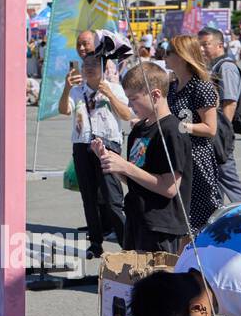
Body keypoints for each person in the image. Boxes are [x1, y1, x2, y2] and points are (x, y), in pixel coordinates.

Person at [95, 63, 193, 253]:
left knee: (157, 281)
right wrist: (111, 162)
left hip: (161, 225)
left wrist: (126, 167)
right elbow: (134, 179)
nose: (130, 105)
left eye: (133, 99)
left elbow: (170, 187)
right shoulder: (139, 130)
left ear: (155, 95)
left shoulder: (172, 131)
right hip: (136, 220)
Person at [59, 53, 131, 258]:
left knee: (112, 197)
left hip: (108, 145)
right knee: (89, 197)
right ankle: (96, 243)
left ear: (103, 67)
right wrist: (66, 88)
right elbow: (64, 110)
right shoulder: (76, 90)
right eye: (86, 64)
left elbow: (126, 115)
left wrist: (109, 94)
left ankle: (126, 241)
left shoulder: (114, 87)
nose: (89, 68)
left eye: (94, 64)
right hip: (82, 145)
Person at [165, 35, 222, 231]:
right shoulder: (172, 86)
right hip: (177, 158)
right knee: (181, 218)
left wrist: (180, 126)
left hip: (197, 160)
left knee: (201, 218)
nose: (164, 56)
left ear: (181, 56)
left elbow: (210, 128)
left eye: (168, 52)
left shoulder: (201, 87)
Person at [198, 26, 241, 205]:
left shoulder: (226, 67)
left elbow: (230, 102)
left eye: (206, 44)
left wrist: (222, 132)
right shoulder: (212, 66)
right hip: (214, 131)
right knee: (215, 179)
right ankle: (217, 217)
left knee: (228, 177)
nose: (201, 49)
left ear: (220, 45)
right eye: (199, 45)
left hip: (219, 133)